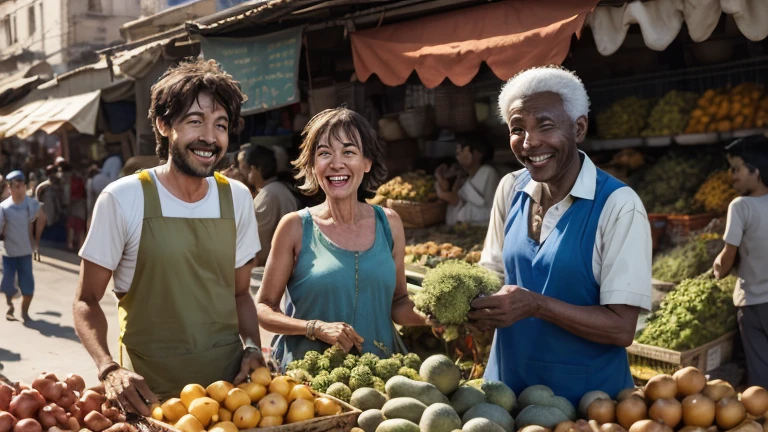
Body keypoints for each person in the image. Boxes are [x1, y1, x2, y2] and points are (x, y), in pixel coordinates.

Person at [73, 60, 264, 412]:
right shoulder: (122, 198)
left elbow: (240, 294)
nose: (209, 137)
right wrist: (108, 368)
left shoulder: (237, 198)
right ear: (163, 125)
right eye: (195, 121)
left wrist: (252, 347)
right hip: (148, 393)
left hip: (228, 394)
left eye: (220, 125)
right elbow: (86, 300)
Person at [470, 66, 652, 404]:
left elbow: (621, 328)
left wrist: (536, 305)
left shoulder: (618, 205)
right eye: (517, 129)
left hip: (587, 403)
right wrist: (467, 305)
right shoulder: (510, 188)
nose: (530, 142)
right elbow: (491, 273)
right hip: (505, 392)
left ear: (579, 127)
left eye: (546, 125)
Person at [256, 107, 428, 365]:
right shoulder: (294, 227)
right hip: (310, 379)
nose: (336, 163)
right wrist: (314, 328)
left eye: (349, 152)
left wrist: (433, 315)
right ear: (313, 165)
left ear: (367, 162)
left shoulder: (389, 223)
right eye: (325, 153)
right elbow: (263, 308)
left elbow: (399, 303)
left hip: (381, 374)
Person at [713, 134, 768, 388]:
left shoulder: (740, 206)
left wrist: (717, 269)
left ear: (756, 171)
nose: (730, 175)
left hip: (754, 304)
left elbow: (728, 256)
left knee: (760, 370)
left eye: (736, 169)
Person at [242, 145, 299, 267]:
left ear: (256, 169)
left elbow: (260, 245)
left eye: (249, 169)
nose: (247, 174)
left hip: (269, 267)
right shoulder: (277, 189)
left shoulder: (269, 194)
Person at [1, 171, 45, 321]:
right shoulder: (4, 207)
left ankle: (24, 312)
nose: (19, 189)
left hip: (25, 253)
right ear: (9, 188)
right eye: (15, 186)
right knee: (7, 286)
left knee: (28, 288)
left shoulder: (31, 204)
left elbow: (41, 218)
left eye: (21, 186)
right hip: (9, 254)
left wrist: (36, 240)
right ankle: (10, 307)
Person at [435, 132, 501, 226]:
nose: (458, 156)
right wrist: (440, 176)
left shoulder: (488, 172)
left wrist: (444, 195)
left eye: (461, 151)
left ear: (477, 153)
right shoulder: (465, 177)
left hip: (482, 229)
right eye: (457, 153)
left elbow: (489, 211)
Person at [59, 162, 87, 251]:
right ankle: (81, 245)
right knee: (81, 226)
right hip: (81, 203)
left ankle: (70, 244)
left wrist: (65, 203)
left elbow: (67, 192)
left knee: (71, 224)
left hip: (72, 203)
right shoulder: (80, 178)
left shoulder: (67, 178)